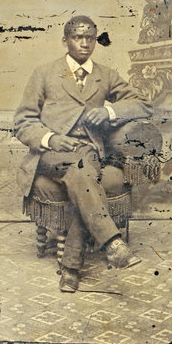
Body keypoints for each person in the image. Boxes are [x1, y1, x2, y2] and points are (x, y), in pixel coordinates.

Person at [14, 16, 152, 292]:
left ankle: (71, 267)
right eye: (78, 37)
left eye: (90, 37)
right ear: (65, 40)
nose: (85, 43)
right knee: (85, 176)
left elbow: (143, 104)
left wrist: (109, 111)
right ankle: (111, 242)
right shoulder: (44, 73)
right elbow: (22, 122)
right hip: (50, 153)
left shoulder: (106, 74)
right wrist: (50, 138)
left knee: (82, 176)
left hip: (88, 154)